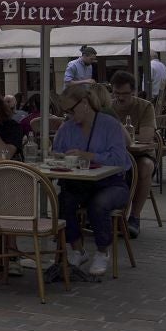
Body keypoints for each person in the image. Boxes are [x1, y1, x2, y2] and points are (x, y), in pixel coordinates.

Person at [50, 83, 133, 278]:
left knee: (99, 204)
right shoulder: (67, 127)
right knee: (64, 200)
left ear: (85, 103)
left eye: (71, 110)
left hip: (112, 183)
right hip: (80, 183)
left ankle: (102, 251)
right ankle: (78, 250)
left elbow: (120, 160)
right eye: (65, 112)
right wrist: (59, 157)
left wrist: (86, 155)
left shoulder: (109, 124)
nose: (68, 115)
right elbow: (57, 153)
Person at [107, 71, 158, 237]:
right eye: (117, 93)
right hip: (114, 155)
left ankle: (134, 217)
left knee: (145, 167)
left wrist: (122, 135)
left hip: (139, 155)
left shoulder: (144, 106)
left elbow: (146, 137)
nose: (120, 98)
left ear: (134, 92)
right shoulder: (108, 107)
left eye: (125, 94)